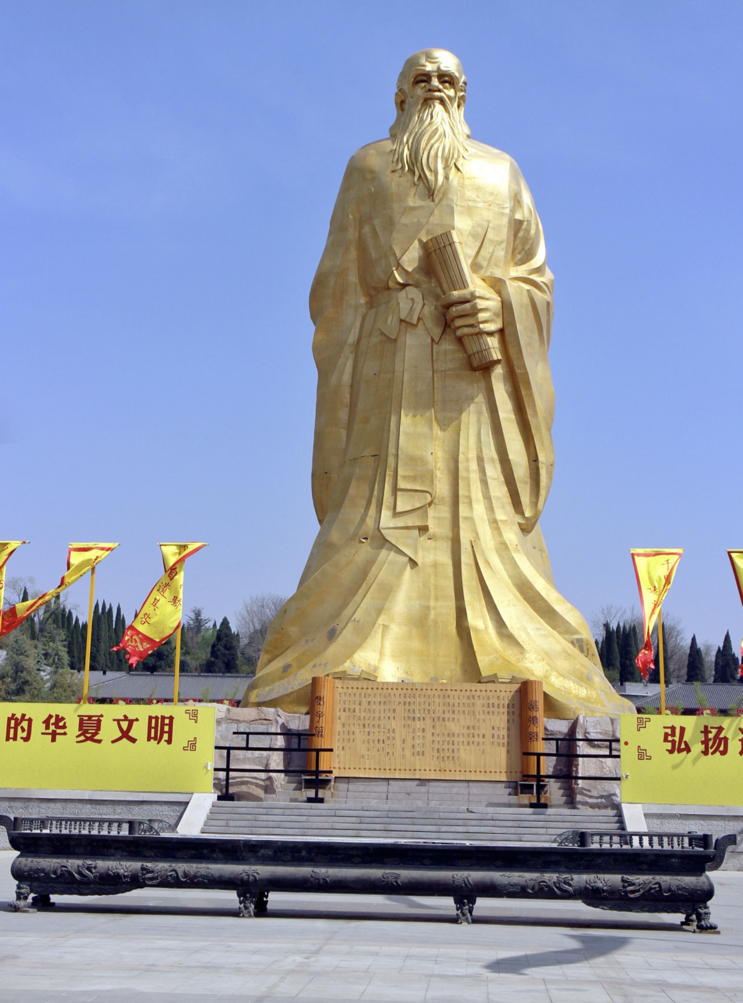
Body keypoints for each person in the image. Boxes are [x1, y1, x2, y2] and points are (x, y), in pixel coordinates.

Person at [243, 49, 632, 718]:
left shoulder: (500, 171)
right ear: (398, 97)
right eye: (420, 79)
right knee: (372, 520)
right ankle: (344, 649)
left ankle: (510, 653)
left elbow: (535, 278)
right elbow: (333, 288)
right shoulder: (366, 168)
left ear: (464, 95)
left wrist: (498, 303)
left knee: (484, 521)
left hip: (473, 382)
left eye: (446, 80)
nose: (434, 88)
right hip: (388, 372)